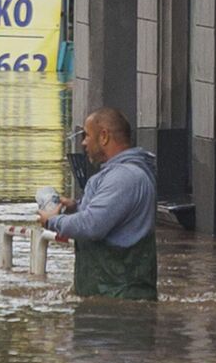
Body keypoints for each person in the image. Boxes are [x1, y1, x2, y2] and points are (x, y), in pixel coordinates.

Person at [37, 107, 157, 300]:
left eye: (86, 135)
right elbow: (105, 217)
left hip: (119, 303)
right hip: (108, 297)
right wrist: (75, 207)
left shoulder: (123, 178)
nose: (83, 142)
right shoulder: (118, 175)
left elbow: (92, 226)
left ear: (104, 136)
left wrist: (52, 221)